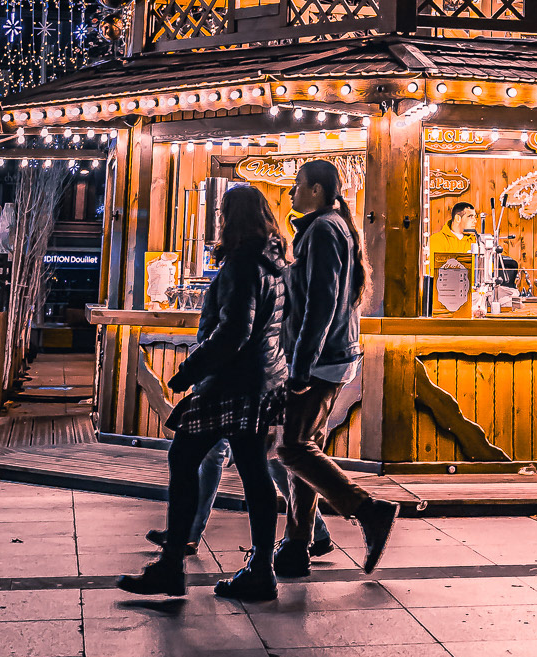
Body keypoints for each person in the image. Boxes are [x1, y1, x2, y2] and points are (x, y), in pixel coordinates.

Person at [118, 183, 288, 601]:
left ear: (232, 218)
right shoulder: (274, 262)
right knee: (253, 471)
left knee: (185, 456)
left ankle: (173, 564)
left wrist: (190, 370)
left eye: (222, 213)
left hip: (231, 383)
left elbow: (234, 331)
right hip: (263, 382)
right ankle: (260, 569)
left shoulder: (241, 264)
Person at [275, 159, 398, 577]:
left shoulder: (324, 230)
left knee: (291, 448)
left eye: (297, 185)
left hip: (321, 360)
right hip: (333, 356)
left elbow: (321, 303)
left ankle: (367, 510)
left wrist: (300, 366)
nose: (291, 192)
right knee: (307, 448)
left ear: (316, 190)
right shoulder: (330, 227)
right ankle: (296, 544)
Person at [145, 445, 333, 558]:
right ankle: (316, 533)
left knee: (266, 458)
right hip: (246, 386)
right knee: (269, 459)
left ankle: (313, 534)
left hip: (242, 387)